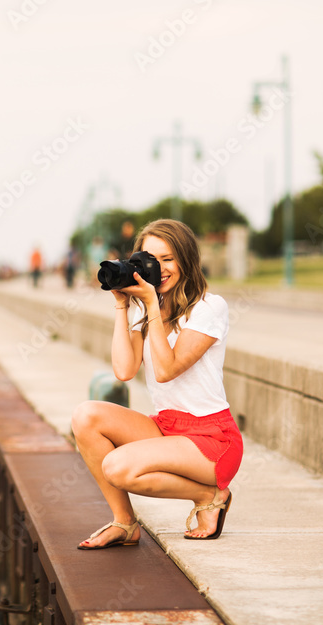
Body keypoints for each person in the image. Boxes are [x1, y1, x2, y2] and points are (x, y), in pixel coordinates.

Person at [71, 219, 242, 549]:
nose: (159, 268)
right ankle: (125, 523)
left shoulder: (209, 307)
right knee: (85, 416)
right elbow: (123, 369)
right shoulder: (146, 309)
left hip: (212, 440)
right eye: (149, 259)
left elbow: (166, 369)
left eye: (168, 259)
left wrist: (151, 305)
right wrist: (123, 305)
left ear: (186, 260)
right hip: (168, 427)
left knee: (117, 468)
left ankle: (211, 495)